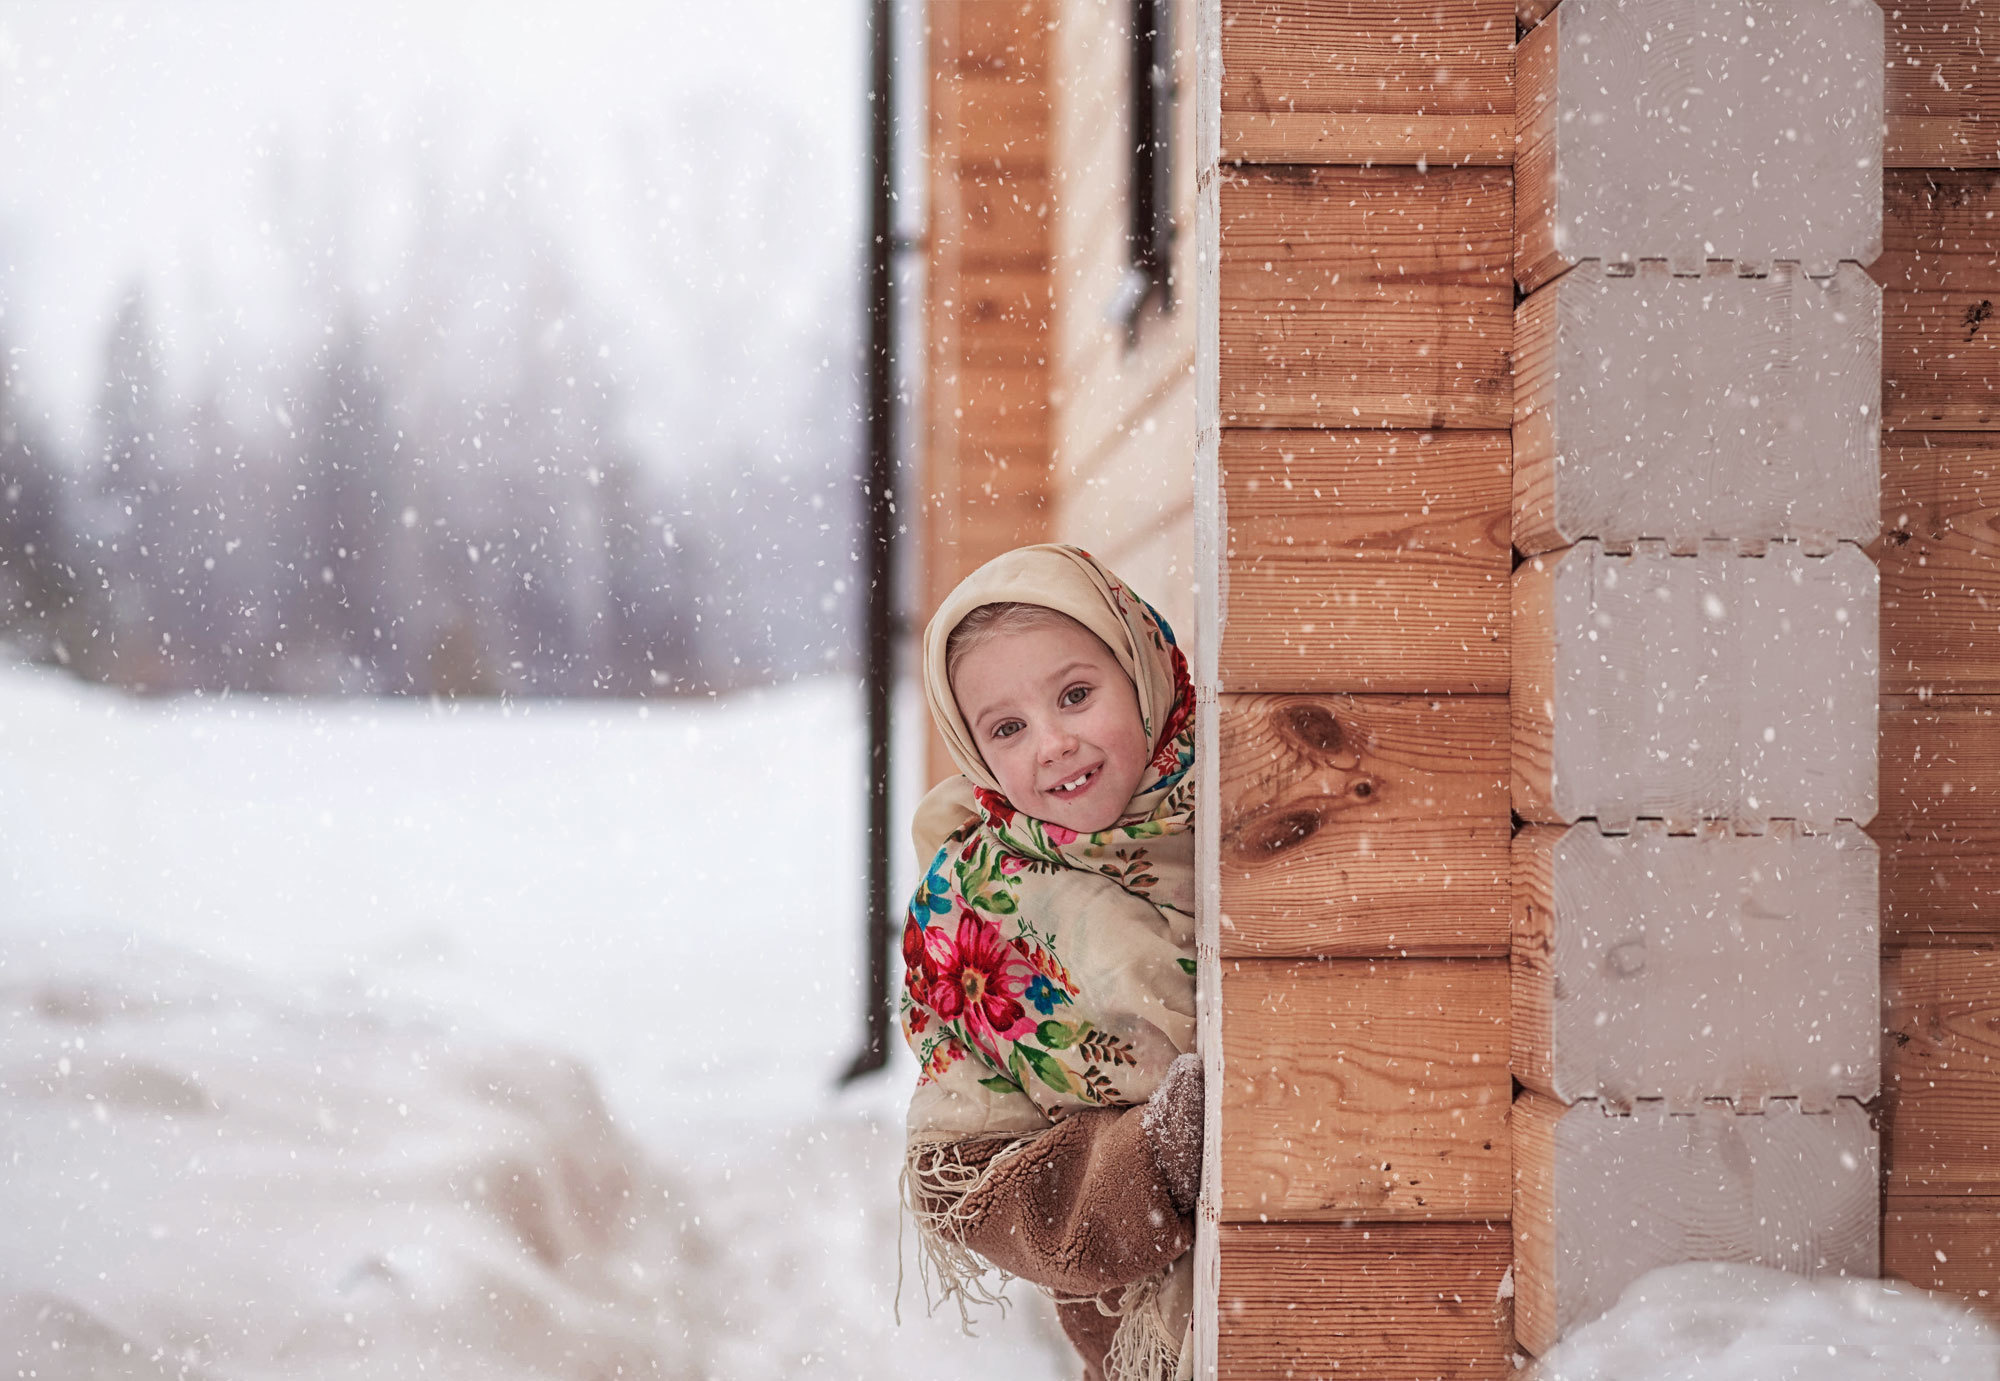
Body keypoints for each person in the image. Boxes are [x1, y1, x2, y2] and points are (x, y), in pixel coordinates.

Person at [899, 544, 1203, 1381]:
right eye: (1008, 727)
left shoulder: (1258, 794)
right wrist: (1151, 1161)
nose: (1054, 742)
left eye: (1075, 695)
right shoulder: (972, 910)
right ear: (974, 750)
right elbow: (965, 1178)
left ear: (1142, 669)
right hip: (1139, 1337)